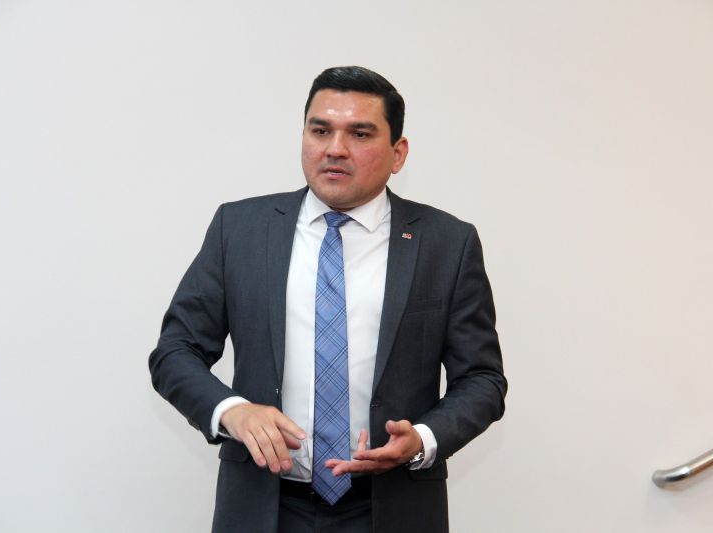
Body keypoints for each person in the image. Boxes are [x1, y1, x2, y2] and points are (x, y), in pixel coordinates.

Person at [149, 65, 507, 533]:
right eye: (320, 130)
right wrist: (232, 411)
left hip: (391, 508)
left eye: (360, 133)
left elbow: (482, 379)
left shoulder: (446, 244)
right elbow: (175, 352)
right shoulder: (239, 230)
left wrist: (422, 438)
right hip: (264, 506)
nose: (335, 148)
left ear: (398, 153)